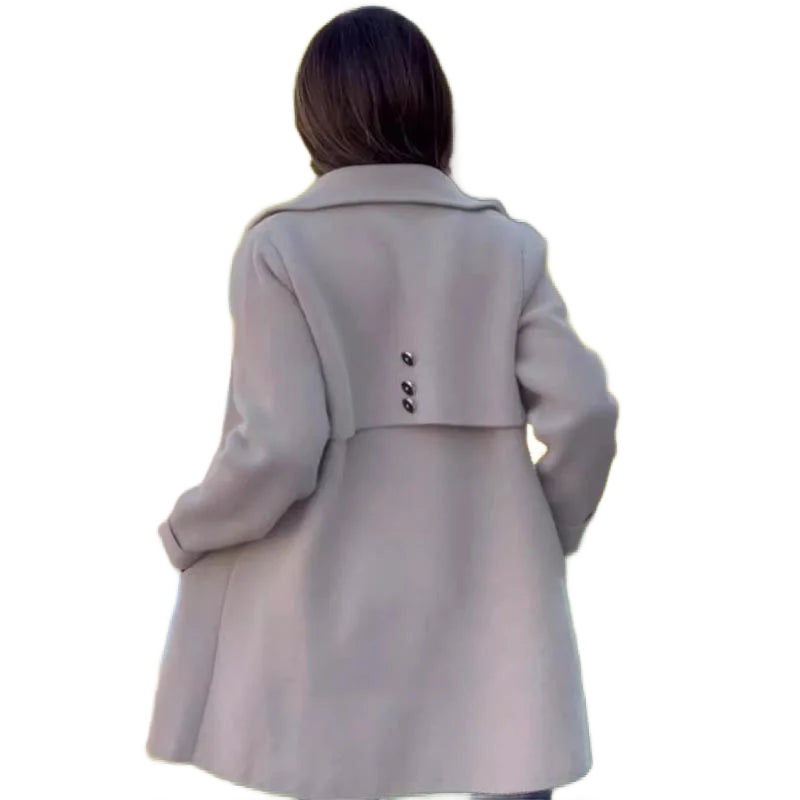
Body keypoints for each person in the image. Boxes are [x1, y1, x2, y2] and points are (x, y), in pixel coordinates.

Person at [145, 7, 619, 800]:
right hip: (492, 610)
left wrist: (189, 528)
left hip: (328, 620)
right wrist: (546, 533)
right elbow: (587, 415)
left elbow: (280, 448)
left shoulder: (282, 248)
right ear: (434, 107)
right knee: (509, 769)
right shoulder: (507, 249)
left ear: (314, 116)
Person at [747, 258, 785, 356]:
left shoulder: (770, 279)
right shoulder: (770, 280)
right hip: (770, 309)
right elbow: (764, 295)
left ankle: (777, 350)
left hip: (772, 308)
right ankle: (775, 350)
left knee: (771, 331)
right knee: (770, 331)